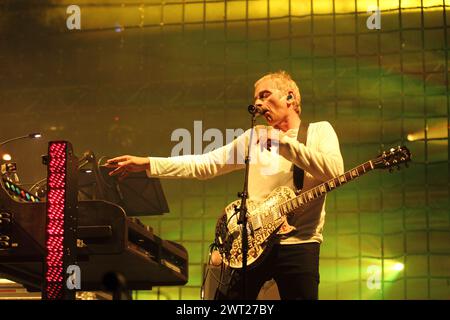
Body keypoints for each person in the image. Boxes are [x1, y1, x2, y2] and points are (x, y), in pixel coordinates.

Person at [107, 71, 344, 300]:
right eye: (255, 99)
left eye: (264, 95)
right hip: (251, 242)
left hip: (299, 243)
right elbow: (205, 164)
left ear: (290, 97)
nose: (258, 103)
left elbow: (335, 172)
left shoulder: (318, 131)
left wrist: (285, 145)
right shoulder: (256, 137)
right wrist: (148, 164)